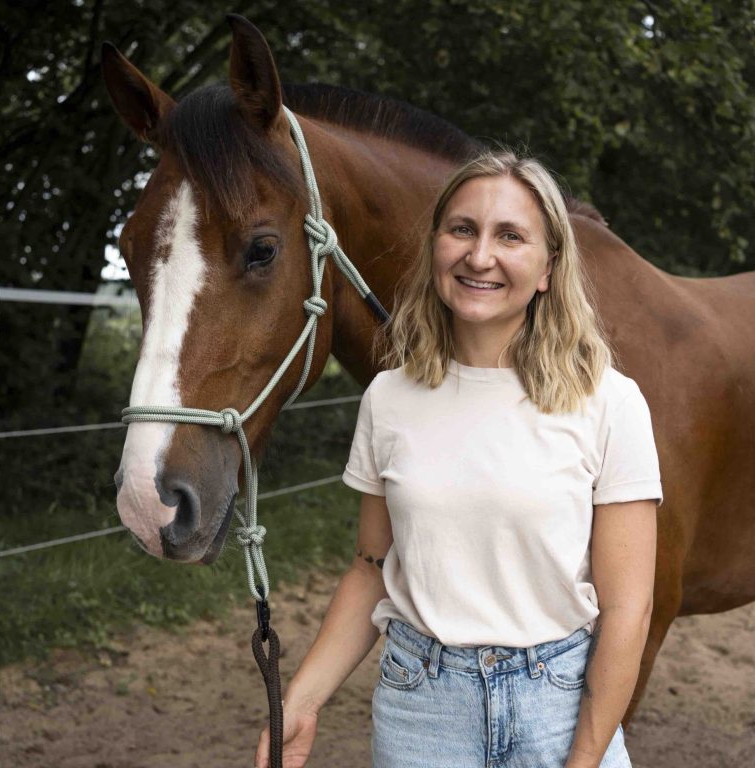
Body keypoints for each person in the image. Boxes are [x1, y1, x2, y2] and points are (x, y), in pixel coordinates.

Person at [253, 150, 662, 768]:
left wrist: (583, 759)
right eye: (462, 229)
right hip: (422, 710)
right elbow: (371, 569)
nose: (479, 256)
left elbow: (630, 607)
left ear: (549, 267)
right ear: (436, 245)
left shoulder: (609, 402)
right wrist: (303, 701)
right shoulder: (389, 399)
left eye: (511, 237)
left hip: (557, 706)